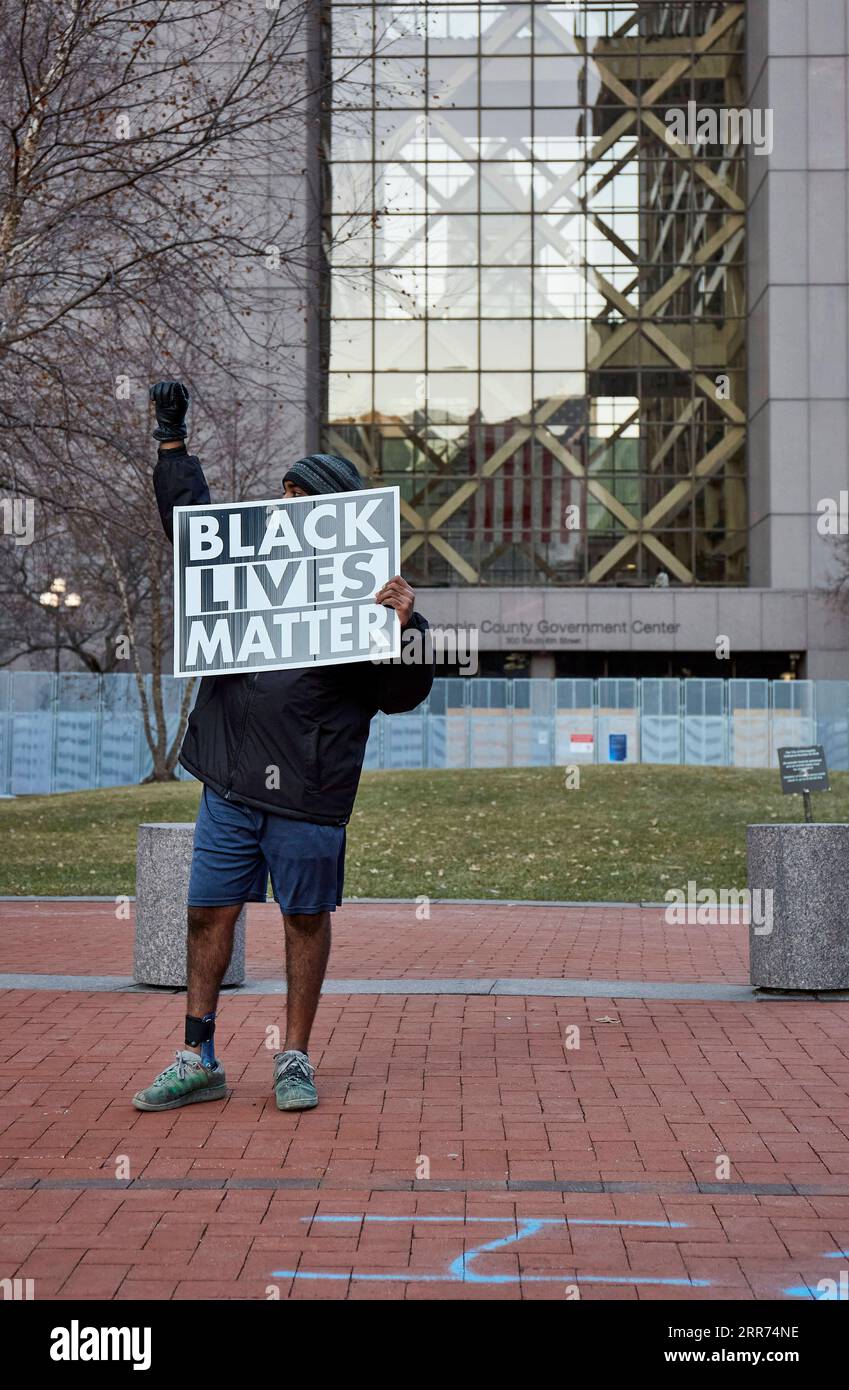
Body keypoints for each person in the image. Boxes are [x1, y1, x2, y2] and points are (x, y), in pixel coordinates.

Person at [132, 380, 433, 1114]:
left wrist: (404, 626)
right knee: (208, 914)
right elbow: (191, 527)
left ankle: (292, 1057)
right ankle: (196, 1056)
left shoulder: (378, 597)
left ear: (339, 516)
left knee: (303, 921)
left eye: (304, 497)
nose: (289, 504)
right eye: (287, 493)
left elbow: (403, 693)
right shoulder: (252, 566)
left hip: (308, 791)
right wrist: (172, 442)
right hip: (231, 784)